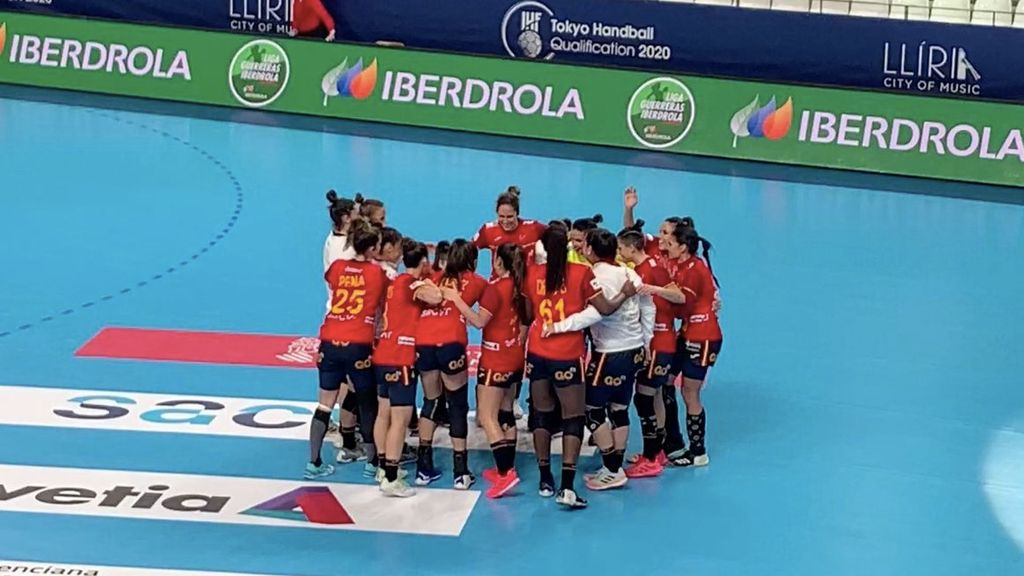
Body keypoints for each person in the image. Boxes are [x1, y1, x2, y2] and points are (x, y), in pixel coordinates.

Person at [525, 226, 635, 509]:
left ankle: (544, 478)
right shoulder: (581, 273)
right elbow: (604, 309)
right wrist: (624, 294)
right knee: (573, 417)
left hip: (538, 350)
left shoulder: (534, 273)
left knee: (541, 414)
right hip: (567, 354)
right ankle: (567, 487)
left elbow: (528, 312)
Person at [544, 228, 654, 492]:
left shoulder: (596, 276)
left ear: (591, 249)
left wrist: (558, 326)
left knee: (591, 411)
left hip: (610, 353)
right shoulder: (629, 272)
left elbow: (595, 314)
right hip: (635, 349)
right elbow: (648, 304)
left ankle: (613, 469)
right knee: (618, 408)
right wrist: (647, 340)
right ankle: (612, 468)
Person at [443, 243, 529, 499]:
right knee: (506, 413)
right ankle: (508, 466)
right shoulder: (520, 286)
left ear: (498, 263)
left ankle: (505, 474)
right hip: (514, 355)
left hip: (495, 359)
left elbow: (479, 322)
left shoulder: (495, 289)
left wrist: (455, 299)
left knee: (487, 415)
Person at [306, 221, 387, 479]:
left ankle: (314, 462)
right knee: (366, 401)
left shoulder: (338, 267)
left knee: (324, 405)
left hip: (330, 340)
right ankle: (372, 462)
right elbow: (380, 309)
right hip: (358, 342)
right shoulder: (378, 273)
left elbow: (331, 280)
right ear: (374, 247)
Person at [415, 239, 488, 489]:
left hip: (423, 342)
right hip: (450, 344)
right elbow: (483, 316)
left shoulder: (432, 277)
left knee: (431, 402)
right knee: (456, 404)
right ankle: (460, 471)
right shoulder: (478, 282)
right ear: (473, 261)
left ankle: (423, 469)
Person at [372, 239, 442, 497]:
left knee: (384, 414)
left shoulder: (395, 283)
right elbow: (435, 297)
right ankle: (391, 478)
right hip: (400, 357)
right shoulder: (414, 285)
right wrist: (431, 281)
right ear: (423, 262)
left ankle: (382, 467)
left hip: (383, 354)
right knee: (399, 421)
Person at [660, 224, 722, 467]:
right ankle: (672, 441)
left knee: (689, 392)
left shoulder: (695, 269)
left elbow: (682, 300)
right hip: (687, 333)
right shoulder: (682, 263)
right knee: (665, 381)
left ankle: (698, 451)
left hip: (703, 337)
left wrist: (653, 290)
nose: (667, 247)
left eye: (671, 244)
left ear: (683, 247)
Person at [618, 224, 676, 476]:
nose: (619, 252)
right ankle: (657, 451)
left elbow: (673, 295)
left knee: (643, 397)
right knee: (654, 395)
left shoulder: (644, 273)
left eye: (621, 248)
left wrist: (647, 342)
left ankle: (651, 459)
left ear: (632, 248)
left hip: (657, 343)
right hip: (663, 339)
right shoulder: (653, 265)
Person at [323, 190, 365, 463]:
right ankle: (349, 438)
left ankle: (338, 426)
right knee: (352, 383)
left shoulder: (333, 239)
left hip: (334, 318)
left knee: (336, 381)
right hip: (352, 321)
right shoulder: (346, 250)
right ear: (345, 218)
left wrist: (358, 207)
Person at [473, 186, 546, 272]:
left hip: (526, 283)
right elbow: (468, 250)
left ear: (517, 213)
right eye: (501, 216)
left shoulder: (533, 228)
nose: (505, 221)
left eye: (510, 217)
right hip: (498, 283)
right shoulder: (488, 230)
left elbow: (556, 235)